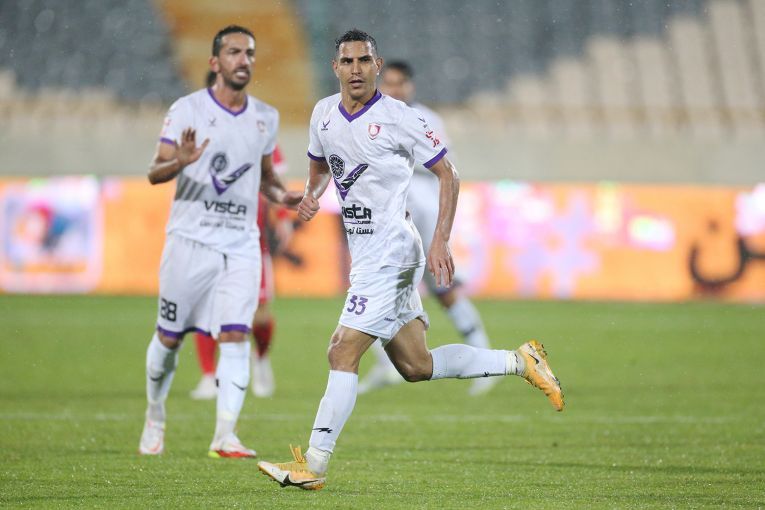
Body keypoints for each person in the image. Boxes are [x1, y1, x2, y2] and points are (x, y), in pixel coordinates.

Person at [257, 28, 564, 490]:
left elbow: (449, 174)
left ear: (377, 66)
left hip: (393, 251)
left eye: (365, 60)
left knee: (341, 350)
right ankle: (520, 361)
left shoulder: (400, 118)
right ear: (335, 67)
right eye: (348, 61)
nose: (356, 69)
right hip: (367, 254)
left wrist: (440, 240)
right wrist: (313, 194)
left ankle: (314, 465)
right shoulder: (323, 113)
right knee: (415, 366)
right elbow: (321, 167)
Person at [138, 25, 301, 458]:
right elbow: (154, 172)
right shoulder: (187, 109)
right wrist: (180, 161)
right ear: (215, 62)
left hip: (241, 245)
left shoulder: (265, 117)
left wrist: (285, 197)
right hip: (189, 242)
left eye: (249, 53)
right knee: (169, 338)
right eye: (233, 52)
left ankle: (225, 435)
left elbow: (266, 178)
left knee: (234, 334)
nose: (243, 60)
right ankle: (155, 413)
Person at [358, 60, 498, 396]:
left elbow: (444, 166)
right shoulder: (369, 116)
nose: (395, 89)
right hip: (391, 208)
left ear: (411, 86)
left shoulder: (425, 119)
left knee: (439, 287)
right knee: (377, 286)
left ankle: (485, 357)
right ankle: (387, 363)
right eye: (389, 82)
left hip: (420, 206)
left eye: (400, 83)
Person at [190, 144, 293, 400]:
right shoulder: (208, 135)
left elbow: (275, 179)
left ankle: (261, 359)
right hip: (213, 239)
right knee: (208, 309)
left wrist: (282, 215)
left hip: (252, 243)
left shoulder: (263, 135)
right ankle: (208, 376)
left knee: (260, 316)